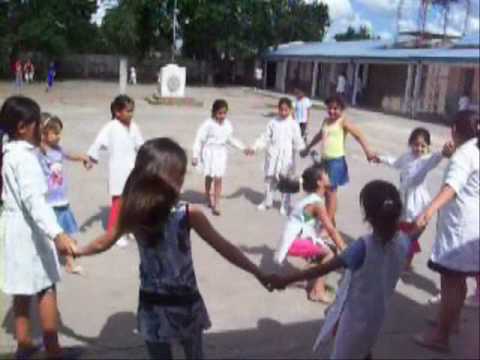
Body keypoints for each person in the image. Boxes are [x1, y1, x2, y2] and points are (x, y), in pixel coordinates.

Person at [74, 137, 273, 360]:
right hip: (166, 303)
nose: (181, 183)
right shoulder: (154, 212)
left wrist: (258, 272)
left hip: (170, 303)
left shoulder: (179, 213)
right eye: (179, 177)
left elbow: (225, 247)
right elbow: (224, 247)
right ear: (158, 179)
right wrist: (77, 251)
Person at [269, 180, 413, 359]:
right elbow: (418, 226)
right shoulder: (405, 242)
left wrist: (284, 280)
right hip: (378, 314)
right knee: (365, 348)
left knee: (345, 352)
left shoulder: (363, 247)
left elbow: (318, 270)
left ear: (368, 216)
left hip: (354, 318)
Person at [0, 96, 76, 358]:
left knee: (21, 287)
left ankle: (24, 342)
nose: (41, 129)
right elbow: (35, 202)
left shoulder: (8, 153)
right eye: (37, 123)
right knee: (46, 287)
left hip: (13, 228)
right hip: (30, 231)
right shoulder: (26, 160)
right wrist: (57, 233)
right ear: (23, 127)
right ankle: (53, 349)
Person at [413, 110, 479, 353]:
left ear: (453, 130)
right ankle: (451, 322)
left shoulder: (464, 155)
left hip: (458, 227)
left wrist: (428, 211)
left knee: (451, 281)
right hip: (472, 225)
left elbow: (452, 187)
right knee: (458, 280)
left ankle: (441, 336)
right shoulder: (475, 150)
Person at [375, 127, 445, 272]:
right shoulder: (407, 157)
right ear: (410, 143)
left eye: (423, 145)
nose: (418, 148)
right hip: (403, 199)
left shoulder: (426, 159)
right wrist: (380, 158)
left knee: (411, 235)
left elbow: (436, 157)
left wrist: (444, 152)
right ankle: (399, 258)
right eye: (415, 144)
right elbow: (395, 162)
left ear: (427, 146)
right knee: (400, 231)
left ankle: (406, 262)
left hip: (417, 203)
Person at [275, 164, 346, 303]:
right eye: (325, 174)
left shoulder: (311, 197)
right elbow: (331, 229)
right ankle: (317, 291)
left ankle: (291, 279)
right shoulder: (317, 203)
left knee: (325, 248)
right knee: (331, 253)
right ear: (319, 182)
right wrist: (344, 248)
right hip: (294, 241)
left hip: (292, 239)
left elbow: (311, 223)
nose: (328, 175)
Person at [301, 95, 376, 225]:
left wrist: (367, 151)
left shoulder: (342, 121)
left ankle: (328, 225)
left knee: (331, 192)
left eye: (336, 108)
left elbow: (358, 135)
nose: (332, 111)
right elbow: (320, 135)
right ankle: (331, 223)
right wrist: (308, 147)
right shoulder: (325, 121)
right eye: (330, 108)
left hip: (336, 162)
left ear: (341, 109)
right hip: (324, 161)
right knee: (323, 191)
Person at [86, 94, 144, 248]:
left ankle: (129, 228)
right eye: (128, 111)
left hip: (132, 169)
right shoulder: (111, 127)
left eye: (132, 111)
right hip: (118, 171)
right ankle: (114, 232)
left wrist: (147, 158)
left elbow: (140, 145)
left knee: (132, 202)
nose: (131, 114)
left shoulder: (134, 126)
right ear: (117, 112)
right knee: (118, 203)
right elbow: (98, 142)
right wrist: (92, 158)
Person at [38, 113, 91, 274]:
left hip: (61, 200)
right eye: (55, 133)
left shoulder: (58, 150)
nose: (59, 137)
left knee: (65, 233)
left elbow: (70, 155)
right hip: (47, 202)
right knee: (47, 235)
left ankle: (70, 263)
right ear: (43, 134)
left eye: (60, 132)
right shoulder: (39, 152)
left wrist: (83, 157)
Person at [192, 99, 249, 216]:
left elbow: (231, 139)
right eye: (219, 113)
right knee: (209, 176)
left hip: (220, 154)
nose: (222, 116)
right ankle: (207, 194)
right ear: (214, 112)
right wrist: (195, 155)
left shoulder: (227, 125)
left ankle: (216, 203)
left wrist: (243, 148)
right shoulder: (207, 124)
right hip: (209, 153)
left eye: (224, 113)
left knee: (218, 178)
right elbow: (199, 139)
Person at [250, 97, 305, 215]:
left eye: (286, 110)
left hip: (287, 156)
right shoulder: (273, 122)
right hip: (273, 155)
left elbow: (298, 140)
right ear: (278, 109)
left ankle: (284, 205)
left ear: (290, 110)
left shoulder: (294, 124)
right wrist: (255, 147)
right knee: (269, 179)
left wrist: (303, 150)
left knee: (285, 181)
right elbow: (265, 137)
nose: (283, 113)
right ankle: (267, 202)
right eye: (281, 110)